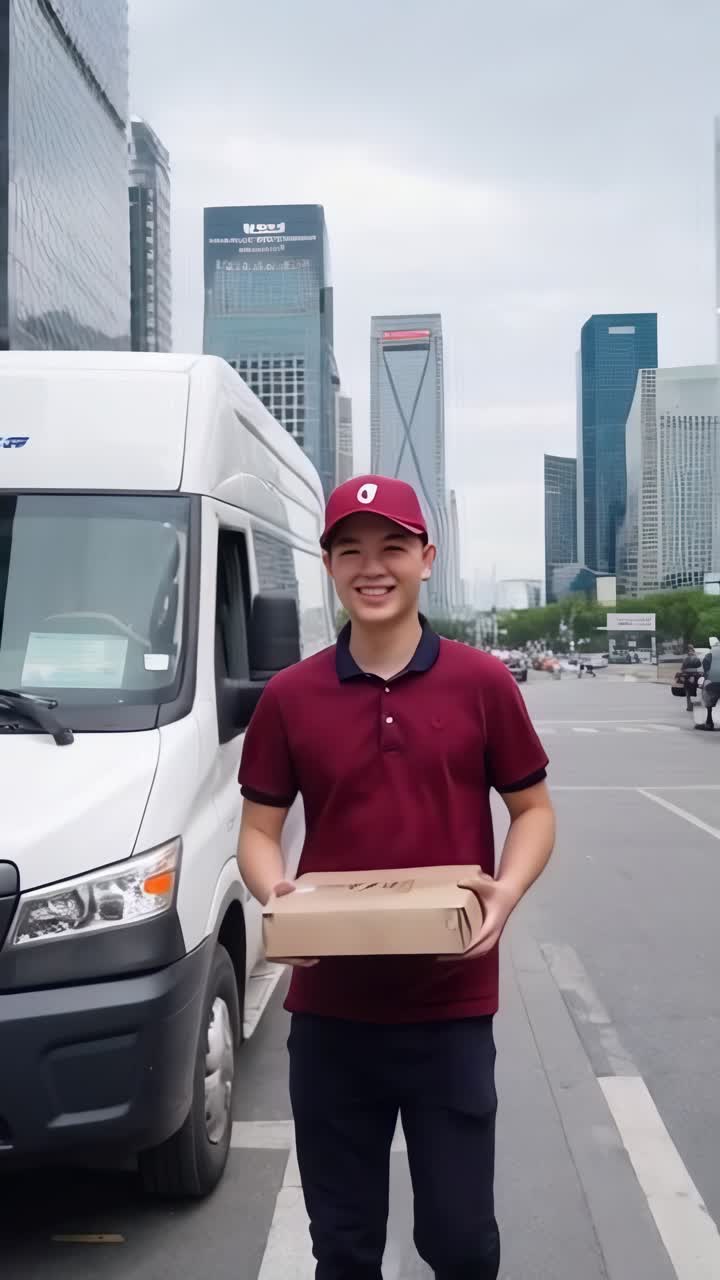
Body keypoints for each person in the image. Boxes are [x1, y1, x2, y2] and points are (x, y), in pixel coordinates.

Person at [237, 475, 555, 1280]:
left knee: (459, 1242)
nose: (371, 567)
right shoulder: (290, 696)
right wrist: (280, 900)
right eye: (351, 550)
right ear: (330, 566)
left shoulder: (482, 683)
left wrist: (505, 891)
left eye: (391, 548)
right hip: (331, 1013)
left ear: (426, 558)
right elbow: (259, 834)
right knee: (342, 1245)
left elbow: (533, 812)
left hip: (447, 1008)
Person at [698, 637, 720, 731]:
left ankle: (709, 722)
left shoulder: (708, 657)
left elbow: (706, 671)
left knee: (709, 703)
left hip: (712, 683)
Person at [680, 644, 702, 712]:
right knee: (691, 692)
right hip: (693, 677)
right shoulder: (695, 659)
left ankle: (689, 706)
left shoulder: (686, 659)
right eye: (690, 651)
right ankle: (690, 706)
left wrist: (683, 675)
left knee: (689, 693)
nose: (691, 652)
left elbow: (682, 668)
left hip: (688, 677)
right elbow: (699, 667)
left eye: (691, 651)